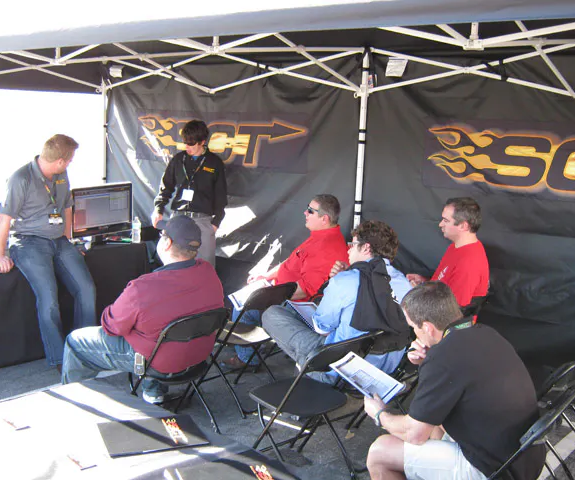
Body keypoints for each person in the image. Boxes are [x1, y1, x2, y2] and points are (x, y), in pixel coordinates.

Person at [363, 282, 544, 480]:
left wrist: (380, 414)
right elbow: (456, 376)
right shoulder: (486, 332)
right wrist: (428, 361)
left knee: (380, 452)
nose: (414, 333)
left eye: (413, 327)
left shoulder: (443, 358)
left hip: (495, 471)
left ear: (428, 328)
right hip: (525, 456)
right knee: (435, 426)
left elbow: (414, 434)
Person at [62, 215, 224, 404]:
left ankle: (74, 402)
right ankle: (154, 393)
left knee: (75, 342)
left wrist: (117, 309)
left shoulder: (142, 287)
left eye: (162, 235)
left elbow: (112, 327)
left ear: (167, 243)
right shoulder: (209, 272)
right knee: (157, 331)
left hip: (159, 362)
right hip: (198, 357)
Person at [262, 220, 412, 384]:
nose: (349, 250)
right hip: (384, 375)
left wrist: (338, 281)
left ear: (366, 248)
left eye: (352, 245)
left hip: (339, 369)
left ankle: (307, 372)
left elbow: (322, 328)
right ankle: (305, 370)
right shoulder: (406, 286)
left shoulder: (347, 280)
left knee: (272, 314)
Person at [0, 134, 96, 371]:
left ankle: (86, 349)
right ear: (60, 160)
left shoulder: (61, 174)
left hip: (59, 241)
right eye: (70, 160)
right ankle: (61, 359)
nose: (70, 163)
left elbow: (67, 207)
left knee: (87, 289)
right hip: (28, 242)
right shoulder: (21, 179)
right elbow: (4, 219)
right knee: (48, 298)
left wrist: (68, 240)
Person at [222, 194, 348, 369]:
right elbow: (291, 261)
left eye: (310, 210)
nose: (305, 212)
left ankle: (247, 359)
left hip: (294, 306)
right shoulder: (321, 235)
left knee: (243, 308)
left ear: (324, 218)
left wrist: (266, 294)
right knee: (246, 298)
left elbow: (306, 290)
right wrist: (266, 277)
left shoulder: (326, 247)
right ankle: (253, 347)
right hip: (281, 292)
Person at [152, 119, 227, 267]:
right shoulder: (178, 160)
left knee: (204, 267)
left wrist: (215, 224)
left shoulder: (214, 163)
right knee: (170, 261)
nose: (187, 147)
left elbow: (221, 196)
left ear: (202, 142)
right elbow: (166, 186)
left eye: (191, 143)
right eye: (185, 142)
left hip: (202, 220)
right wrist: (158, 208)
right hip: (178, 217)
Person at [406, 197, 489, 309]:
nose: (440, 224)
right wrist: (425, 282)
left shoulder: (468, 263)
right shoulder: (455, 247)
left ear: (463, 226)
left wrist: (420, 294)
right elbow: (445, 282)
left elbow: (453, 311)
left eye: (446, 221)